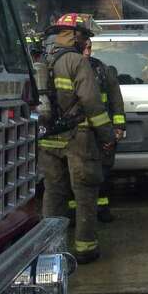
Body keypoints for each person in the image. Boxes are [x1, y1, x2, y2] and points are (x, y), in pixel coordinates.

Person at [37, 13, 116, 264]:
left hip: (47, 139)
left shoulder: (40, 61)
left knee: (53, 194)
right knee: (85, 194)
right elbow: (92, 103)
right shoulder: (76, 62)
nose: (86, 42)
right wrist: (107, 136)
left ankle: (51, 252)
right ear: (73, 35)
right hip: (78, 138)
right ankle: (85, 248)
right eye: (84, 36)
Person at [82, 26, 125, 224]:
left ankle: (103, 208)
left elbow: (116, 101)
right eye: (84, 47)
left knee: (104, 173)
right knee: (80, 175)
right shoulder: (68, 70)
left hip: (102, 131)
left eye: (90, 48)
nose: (87, 52)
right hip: (80, 133)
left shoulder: (102, 69)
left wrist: (118, 127)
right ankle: (77, 213)